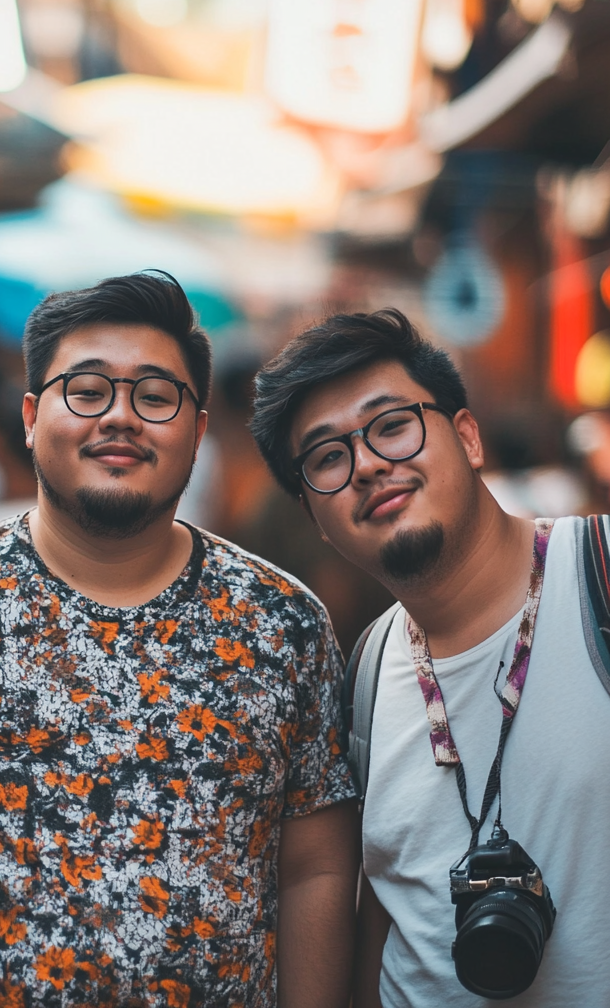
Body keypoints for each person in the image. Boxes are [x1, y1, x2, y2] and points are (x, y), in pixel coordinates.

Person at [0, 270, 358, 1008]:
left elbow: (315, 866)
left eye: (155, 396)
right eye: (87, 391)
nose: (120, 417)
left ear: (199, 430)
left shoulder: (283, 625)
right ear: (30, 416)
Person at [250, 309, 610, 1008]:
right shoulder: (363, 674)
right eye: (328, 457)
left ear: (468, 437)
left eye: (392, 425)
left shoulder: (595, 575)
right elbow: (382, 903)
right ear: (314, 520)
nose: (369, 465)